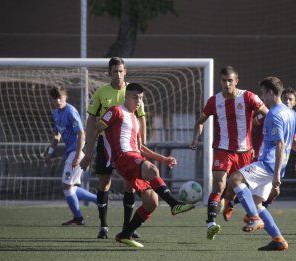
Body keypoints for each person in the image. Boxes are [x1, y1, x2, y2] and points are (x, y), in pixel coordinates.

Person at [80, 83, 194, 247]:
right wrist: (89, 152)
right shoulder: (115, 110)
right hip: (123, 157)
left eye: (140, 98)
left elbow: (140, 148)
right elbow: (96, 128)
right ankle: (174, 204)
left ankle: (125, 234)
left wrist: (164, 159)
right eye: (135, 97)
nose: (138, 101)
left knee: (152, 201)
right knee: (151, 169)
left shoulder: (134, 119)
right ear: (126, 97)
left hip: (133, 156)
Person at [226, 76, 296, 251]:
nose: (261, 97)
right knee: (257, 204)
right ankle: (278, 240)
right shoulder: (290, 112)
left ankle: (254, 218)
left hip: (269, 165)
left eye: (263, 93)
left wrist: (276, 174)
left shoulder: (274, 114)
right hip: (276, 167)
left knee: (234, 179)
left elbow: (280, 144)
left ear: (271, 92)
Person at [190, 66, 268, 240]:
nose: (227, 84)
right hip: (222, 149)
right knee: (219, 184)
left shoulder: (248, 97)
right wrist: (195, 138)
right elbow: (200, 121)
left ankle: (229, 203)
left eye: (230, 80)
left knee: (237, 189)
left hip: (244, 151)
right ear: (220, 81)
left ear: (236, 81)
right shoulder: (213, 101)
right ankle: (211, 223)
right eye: (224, 80)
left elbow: (268, 114)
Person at [83, 57, 147, 239]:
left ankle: (128, 228)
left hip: (129, 146)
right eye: (114, 71)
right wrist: (89, 147)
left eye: (120, 71)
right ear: (109, 73)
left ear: (125, 71)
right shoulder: (101, 93)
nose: (118, 74)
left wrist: (142, 144)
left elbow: (141, 117)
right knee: (104, 184)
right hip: (106, 145)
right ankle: (103, 226)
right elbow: (91, 120)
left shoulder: (133, 92)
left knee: (130, 186)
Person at [45, 86, 97, 226]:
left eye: (60, 97)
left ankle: (79, 218)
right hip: (71, 152)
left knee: (66, 186)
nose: (57, 101)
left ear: (65, 97)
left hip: (77, 152)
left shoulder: (71, 111)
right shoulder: (55, 113)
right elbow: (57, 134)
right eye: (54, 98)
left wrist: (76, 157)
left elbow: (81, 134)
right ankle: (99, 200)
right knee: (71, 187)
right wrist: (50, 151)